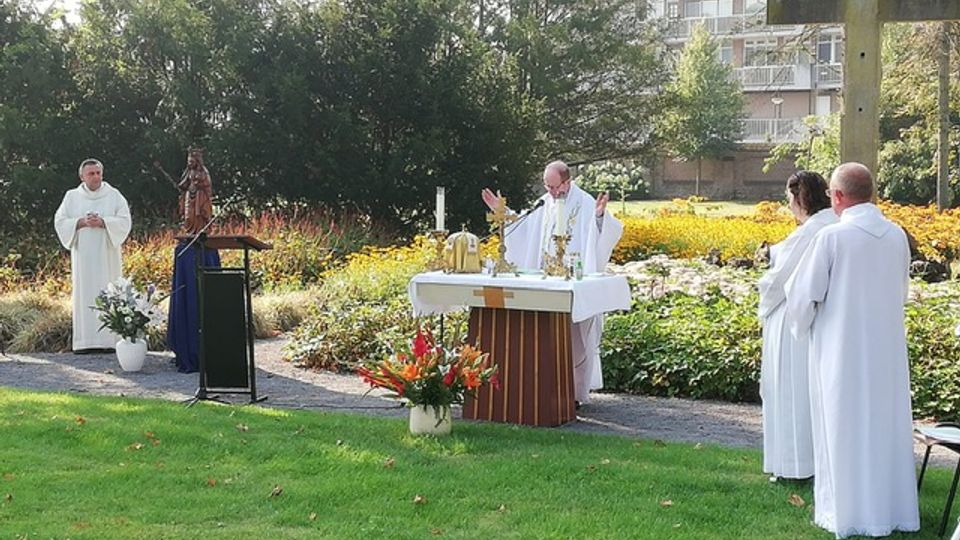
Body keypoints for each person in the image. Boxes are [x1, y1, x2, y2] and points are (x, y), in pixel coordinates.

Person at [785, 162, 919, 538]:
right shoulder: (896, 236)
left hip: (840, 350)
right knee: (883, 428)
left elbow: (803, 295)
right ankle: (890, 510)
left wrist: (801, 324)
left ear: (839, 196)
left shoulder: (832, 238)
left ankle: (844, 513)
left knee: (842, 427)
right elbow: (901, 292)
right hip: (886, 352)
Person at [481, 160, 623, 405]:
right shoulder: (544, 203)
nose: (552, 192)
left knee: (576, 339)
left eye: (556, 187)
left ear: (567, 182)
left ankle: (574, 394)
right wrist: (502, 213)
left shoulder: (585, 202)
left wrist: (600, 217)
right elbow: (525, 227)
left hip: (574, 279)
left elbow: (604, 233)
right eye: (547, 186)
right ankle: (543, 390)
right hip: (547, 281)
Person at [757, 171, 837, 481]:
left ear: (799, 198)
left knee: (790, 391)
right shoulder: (829, 224)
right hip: (820, 319)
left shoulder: (812, 231)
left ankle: (794, 464)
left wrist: (763, 281)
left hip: (793, 320)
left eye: (789, 198)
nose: (788, 205)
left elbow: (780, 279)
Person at [54, 158, 132, 353]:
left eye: (98, 173)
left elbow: (125, 221)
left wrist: (104, 222)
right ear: (82, 176)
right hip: (84, 257)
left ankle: (109, 341)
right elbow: (60, 221)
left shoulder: (114, 195)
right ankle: (85, 342)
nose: (96, 177)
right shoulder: (72, 197)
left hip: (107, 255)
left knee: (109, 290)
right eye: (91, 174)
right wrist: (81, 222)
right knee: (85, 295)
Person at [178, 148, 213, 234]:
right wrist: (183, 185)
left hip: (200, 196)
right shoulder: (188, 171)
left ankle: (199, 232)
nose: (189, 164)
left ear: (197, 161)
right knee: (188, 216)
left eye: (191, 162)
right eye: (188, 162)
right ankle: (189, 232)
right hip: (189, 195)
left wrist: (199, 184)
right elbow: (184, 182)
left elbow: (207, 183)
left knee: (199, 215)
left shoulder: (203, 171)